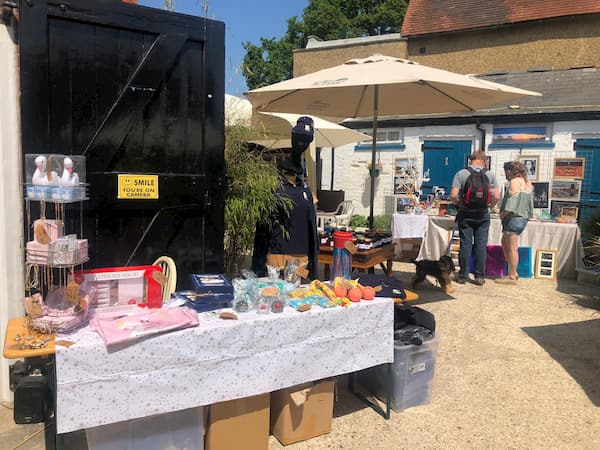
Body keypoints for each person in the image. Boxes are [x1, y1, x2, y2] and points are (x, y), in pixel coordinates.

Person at [251, 117, 319, 279]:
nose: (301, 144)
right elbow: (263, 229)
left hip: (302, 259)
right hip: (277, 258)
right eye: (299, 139)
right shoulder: (273, 190)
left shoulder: (306, 192)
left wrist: (314, 268)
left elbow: (311, 230)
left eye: (306, 141)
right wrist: (258, 267)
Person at [450, 151, 500, 285]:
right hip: (483, 214)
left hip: (465, 213)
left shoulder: (461, 173)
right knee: (481, 245)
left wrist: (459, 205)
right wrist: (490, 207)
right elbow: (497, 196)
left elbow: (454, 195)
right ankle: (479, 276)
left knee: (465, 244)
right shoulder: (490, 174)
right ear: (484, 161)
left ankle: (463, 276)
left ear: (470, 160)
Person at [495, 161, 534, 284]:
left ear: (510, 171)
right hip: (522, 218)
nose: (505, 174)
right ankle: (513, 271)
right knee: (505, 242)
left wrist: (502, 214)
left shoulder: (514, 182)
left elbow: (511, 205)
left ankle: (512, 275)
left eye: (506, 171)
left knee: (512, 248)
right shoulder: (527, 183)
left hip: (513, 218)